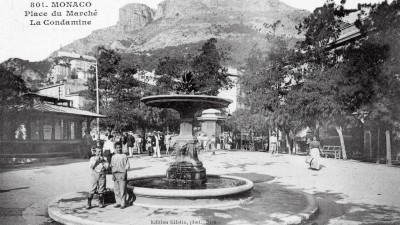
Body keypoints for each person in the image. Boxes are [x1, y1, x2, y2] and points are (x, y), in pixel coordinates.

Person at [110, 143, 130, 209]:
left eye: (120, 147)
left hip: (122, 173)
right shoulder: (113, 156)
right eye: (117, 148)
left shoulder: (124, 156)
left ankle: (123, 203)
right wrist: (113, 174)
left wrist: (124, 173)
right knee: (116, 189)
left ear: (121, 148)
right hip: (115, 174)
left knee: (122, 189)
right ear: (115, 148)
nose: (119, 149)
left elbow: (127, 166)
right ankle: (118, 202)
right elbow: (112, 166)